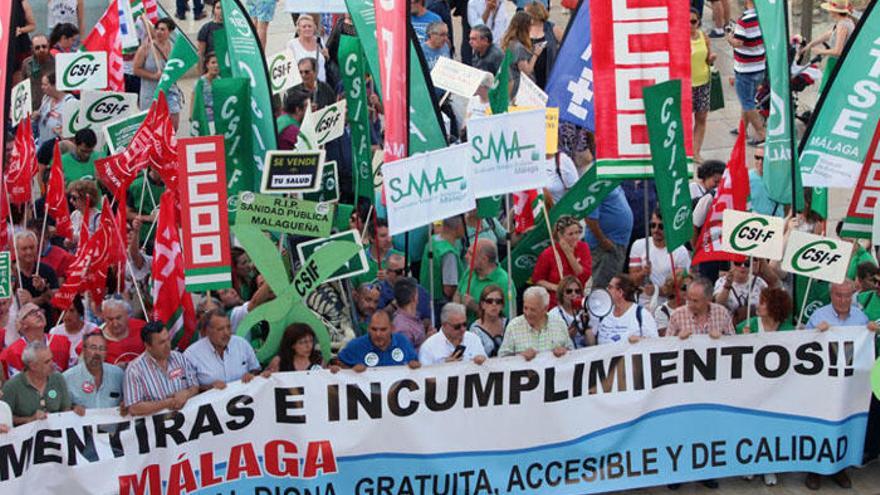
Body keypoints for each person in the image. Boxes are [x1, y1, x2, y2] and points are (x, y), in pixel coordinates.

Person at [123, 322, 199, 416]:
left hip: (187, 421)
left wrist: (186, 393)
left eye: (168, 339)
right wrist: (168, 403)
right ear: (148, 346)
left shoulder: (179, 358)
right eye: (161, 342)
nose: (167, 345)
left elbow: (195, 386)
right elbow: (134, 407)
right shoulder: (134, 370)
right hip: (158, 427)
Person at [628, 209, 692, 309]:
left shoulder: (680, 251)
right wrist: (643, 273)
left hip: (669, 306)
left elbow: (682, 288)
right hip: (642, 305)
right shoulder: (638, 245)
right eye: (653, 225)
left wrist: (656, 291)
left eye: (661, 226)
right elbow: (632, 281)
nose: (655, 230)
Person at [184, 309, 262, 391]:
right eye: (220, 329)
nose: (227, 333)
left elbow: (256, 369)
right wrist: (210, 387)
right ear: (207, 331)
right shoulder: (191, 355)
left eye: (228, 327)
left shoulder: (241, 344)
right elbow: (188, 389)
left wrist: (251, 375)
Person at [1, 341, 73, 425]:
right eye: (47, 362)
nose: (52, 364)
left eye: (52, 359)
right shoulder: (12, 386)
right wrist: (29, 419)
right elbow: (5, 417)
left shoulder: (58, 378)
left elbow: (66, 408)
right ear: (33, 366)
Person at [727, 0, 766, 146]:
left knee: (747, 103)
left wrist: (729, 38)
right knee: (747, 99)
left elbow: (738, 43)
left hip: (745, 69)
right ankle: (741, 128)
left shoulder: (744, 21)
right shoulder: (762, 17)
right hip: (759, 67)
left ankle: (762, 134)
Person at [531, 215, 592, 307]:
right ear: (560, 235)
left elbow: (583, 275)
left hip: (577, 300)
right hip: (555, 302)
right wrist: (557, 287)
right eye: (570, 234)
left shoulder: (583, 247)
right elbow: (538, 280)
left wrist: (569, 254)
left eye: (577, 233)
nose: (575, 237)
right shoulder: (548, 253)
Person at [497, 286, 572, 359]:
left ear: (545, 308)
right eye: (525, 308)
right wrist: (520, 357)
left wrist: (564, 352)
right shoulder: (513, 326)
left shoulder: (559, 324)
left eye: (533, 310)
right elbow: (502, 358)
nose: (528, 313)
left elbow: (573, 354)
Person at [134, 18, 182, 127]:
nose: (159, 32)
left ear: (170, 32)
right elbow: (136, 69)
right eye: (157, 29)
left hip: (170, 91)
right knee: (151, 126)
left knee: (174, 123)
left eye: (162, 29)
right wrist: (153, 76)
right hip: (151, 93)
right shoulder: (145, 48)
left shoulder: (174, 47)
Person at [0, 303, 70, 379]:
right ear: (23, 324)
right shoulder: (14, 351)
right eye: (32, 312)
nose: (39, 314)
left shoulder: (62, 342)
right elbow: (18, 385)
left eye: (40, 310)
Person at [584, 185, 633, 289]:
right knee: (602, 288)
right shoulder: (598, 184)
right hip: (604, 247)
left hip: (617, 244)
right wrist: (603, 240)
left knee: (613, 286)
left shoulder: (614, 182)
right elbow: (589, 217)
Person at [801, 0, 856, 92]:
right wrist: (810, 44)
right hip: (840, 63)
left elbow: (838, 51)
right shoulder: (847, 21)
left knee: (826, 91)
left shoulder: (842, 25)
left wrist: (820, 51)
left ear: (834, 11)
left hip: (835, 63)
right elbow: (829, 34)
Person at [588, 275, 659, 345]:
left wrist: (640, 341)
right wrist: (586, 328)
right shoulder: (602, 312)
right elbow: (591, 343)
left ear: (620, 292)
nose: (606, 290)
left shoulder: (641, 314)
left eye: (610, 287)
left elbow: (654, 343)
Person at [337, 311, 420, 370]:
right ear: (368, 328)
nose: (378, 334)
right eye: (374, 329)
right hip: (364, 394)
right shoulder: (356, 345)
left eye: (383, 330)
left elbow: (415, 362)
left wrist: (414, 365)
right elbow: (337, 365)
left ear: (392, 328)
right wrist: (351, 371)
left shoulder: (402, 341)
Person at [63, 331, 125, 409]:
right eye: (93, 347)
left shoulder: (118, 375)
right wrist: (73, 408)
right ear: (84, 350)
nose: (97, 353)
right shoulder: (67, 378)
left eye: (102, 349)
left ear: (106, 352)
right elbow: (59, 406)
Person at [455, 238, 513, 321]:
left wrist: (476, 307)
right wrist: (458, 308)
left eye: (470, 254)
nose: (466, 256)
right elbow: (458, 293)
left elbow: (504, 320)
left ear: (484, 259)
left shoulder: (504, 282)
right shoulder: (470, 271)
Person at [420, 216, 466, 310]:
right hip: (441, 303)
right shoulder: (448, 254)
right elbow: (449, 289)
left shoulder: (432, 240)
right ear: (458, 227)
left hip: (426, 297)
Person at [419, 303, 488, 366]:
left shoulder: (473, 339)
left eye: (465, 324)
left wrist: (482, 361)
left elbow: (487, 367)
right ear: (444, 325)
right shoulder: (428, 347)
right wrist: (444, 368)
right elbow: (424, 376)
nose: (462, 329)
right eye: (457, 326)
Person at [666, 277, 735, 338]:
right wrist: (678, 339)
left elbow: (733, 342)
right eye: (689, 299)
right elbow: (667, 346)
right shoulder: (677, 315)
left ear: (708, 299)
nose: (691, 304)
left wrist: (722, 338)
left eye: (695, 301)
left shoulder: (722, 313)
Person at [690, 7, 716, 163]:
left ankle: (695, 152)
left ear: (698, 21)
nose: (690, 25)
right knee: (685, 122)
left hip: (703, 83)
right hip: (686, 85)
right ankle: (686, 151)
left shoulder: (703, 37)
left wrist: (711, 59)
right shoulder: (678, 38)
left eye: (693, 21)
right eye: (687, 21)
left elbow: (707, 58)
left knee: (701, 119)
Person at [13, 231, 59, 314]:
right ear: (16, 250)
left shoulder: (47, 270)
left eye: (32, 247)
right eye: (24, 249)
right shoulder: (10, 272)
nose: (29, 252)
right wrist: (42, 299)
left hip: (46, 323)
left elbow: (57, 302)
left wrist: (44, 288)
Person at [501, 12, 543, 98]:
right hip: (520, 88)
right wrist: (535, 54)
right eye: (530, 25)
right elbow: (526, 71)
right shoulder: (519, 47)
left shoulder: (508, 42)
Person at [48, 296, 97, 367]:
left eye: (72, 311)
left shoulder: (92, 329)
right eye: (63, 311)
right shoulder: (54, 332)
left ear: (79, 312)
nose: (67, 315)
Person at [806, 280, 874, 331]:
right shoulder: (817, 317)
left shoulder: (861, 317)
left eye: (847, 295)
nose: (843, 300)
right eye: (839, 295)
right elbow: (806, 341)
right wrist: (815, 333)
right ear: (830, 295)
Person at [524, 1, 562, 89]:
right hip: (530, 73)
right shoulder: (524, 28)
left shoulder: (552, 28)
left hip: (549, 71)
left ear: (535, 14)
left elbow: (566, 47)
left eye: (526, 13)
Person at [100, 298, 146, 366]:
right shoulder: (95, 339)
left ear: (127, 315)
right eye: (110, 319)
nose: (115, 324)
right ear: (104, 318)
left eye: (118, 318)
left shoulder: (142, 327)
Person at [37, 72, 75, 145]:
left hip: (57, 146)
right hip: (42, 143)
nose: (42, 87)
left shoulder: (70, 102)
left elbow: (72, 131)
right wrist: (36, 116)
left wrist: (61, 132)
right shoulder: (46, 99)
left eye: (45, 84)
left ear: (55, 85)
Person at [287, 16, 329, 83]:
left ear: (314, 28)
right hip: (301, 87)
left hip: (321, 86)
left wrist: (326, 56)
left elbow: (325, 61)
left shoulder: (320, 41)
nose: (307, 29)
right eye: (304, 27)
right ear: (299, 29)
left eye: (310, 26)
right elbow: (288, 69)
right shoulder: (292, 44)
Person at [469, 285, 508, 357]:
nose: (494, 304)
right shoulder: (475, 330)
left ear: (502, 305)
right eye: (489, 301)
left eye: (498, 301)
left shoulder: (509, 324)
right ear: (482, 304)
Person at [549, 276, 588, 348]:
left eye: (577, 291)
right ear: (561, 293)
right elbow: (552, 343)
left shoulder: (585, 311)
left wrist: (587, 327)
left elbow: (592, 343)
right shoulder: (554, 314)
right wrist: (568, 336)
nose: (574, 294)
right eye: (569, 291)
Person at [20, 34, 53, 113]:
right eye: (37, 47)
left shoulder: (57, 63)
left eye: (44, 46)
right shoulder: (26, 63)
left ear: (48, 46)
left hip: (51, 110)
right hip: (32, 110)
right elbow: (22, 87)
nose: (41, 50)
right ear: (32, 49)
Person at [391, 278, 427, 350]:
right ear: (414, 298)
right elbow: (405, 356)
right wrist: (427, 342)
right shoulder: (403, 328)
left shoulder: (413, 318)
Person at [748, 146, 783, 217]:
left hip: (775, 222)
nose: (760, 162)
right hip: (754, 222)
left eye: (764, 159)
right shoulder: (747, 177)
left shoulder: (780, 178)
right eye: (757, 158)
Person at [191, 53, 221, 132]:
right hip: (204, 119)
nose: (216, 65)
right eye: (213, 63)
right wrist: (192, 117)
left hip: (219, 118)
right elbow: (194, 99)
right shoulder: (200, 82)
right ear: (207, 65)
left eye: (218, 63)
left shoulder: (221, 81)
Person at [197, 2, 224, 69]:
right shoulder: (206, 28)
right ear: (213, 10)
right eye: (218, 8)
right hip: (212, 69)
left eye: (223, 8)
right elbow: (200, 53)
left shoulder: (233, 27)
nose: (221, 11)